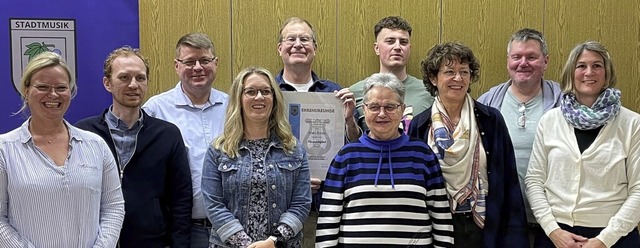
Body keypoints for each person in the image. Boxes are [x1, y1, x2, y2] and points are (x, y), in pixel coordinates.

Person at [408, 42, 529, 248]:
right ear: (433, 78)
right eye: (449, 72)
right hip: (435, 226)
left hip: (483, 226)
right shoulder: (419, 126)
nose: (458, 78)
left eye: (464, 71)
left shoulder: (491, 120)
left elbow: (509, 181)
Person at [0, 52, 125, 247]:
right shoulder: (4, 150)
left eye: (61, 87)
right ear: (25, 90)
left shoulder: (96, 146)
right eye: (42, 87)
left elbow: (114, 207)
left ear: (71, 92)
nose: (53, 95)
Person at [315, 72, 454, 247]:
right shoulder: (346, 157)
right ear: (364, 109)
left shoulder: (423, 155)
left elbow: (441, 220)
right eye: (374, 107)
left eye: (390, 106)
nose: (382, 114)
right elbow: (327, 225)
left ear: (402, 109)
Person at [525, 41, 640, 248]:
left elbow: (639, 190)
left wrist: (604, 241)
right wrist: (553, 230)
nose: (589, 72)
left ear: (607, 73)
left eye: (597, 65)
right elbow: (534, 180)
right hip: (555, 237)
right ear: (571, 72)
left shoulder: (632, 124)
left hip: (614, 237)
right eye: (581, 66)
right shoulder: (550, 121)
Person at [76, 46, 193, 247]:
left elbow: (181, 199)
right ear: (107, 83)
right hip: (95, 241)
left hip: (151, 242)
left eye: (140, 78)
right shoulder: (84, 133)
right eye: (124, 78)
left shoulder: (167, 134)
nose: (133, 85)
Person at [202, 67, 311, 248]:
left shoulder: (293, 149)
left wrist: (274, 241)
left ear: (274, 99)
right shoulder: (218, 150)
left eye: (266, 91)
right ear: (239, 98)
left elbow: (301, 203)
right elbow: (214, 205)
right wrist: (246, 245)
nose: (259, 97)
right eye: (251, 92)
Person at [275, 17, 359, 247]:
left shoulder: (335, 93)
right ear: (279, 48)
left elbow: (356, 146)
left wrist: (350, 120)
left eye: (305, 39)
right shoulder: (267, 92)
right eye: (290, 39)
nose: (298, 44)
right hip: (278, 205)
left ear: (315, 48)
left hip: (326, 204)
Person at [143, 32, 230, 248]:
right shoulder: (155, 110)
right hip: (182, 231)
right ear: (176, 66)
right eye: (189, 61)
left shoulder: (234, 107)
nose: (198, 67)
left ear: (216, 63)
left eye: (205, 60)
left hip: (232, 226)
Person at [477, 28, 562, 242]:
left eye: (531, 57)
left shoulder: (564, 103)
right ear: (508, 60)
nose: (523, 63)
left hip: (553, 223)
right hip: (504, 222)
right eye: (517, 57)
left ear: (546, 61)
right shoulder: (487, 103)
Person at [349, 16, 434, 132]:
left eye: (403, 42)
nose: (397, 47)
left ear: (409, 48)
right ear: (376, 48)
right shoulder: (355, 92)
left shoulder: (429, 91)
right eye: (390, 41)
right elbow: (354, 140)